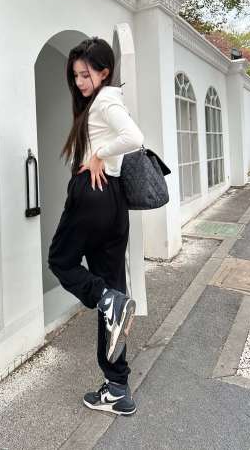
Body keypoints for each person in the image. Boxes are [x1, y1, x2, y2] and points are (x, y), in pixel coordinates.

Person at [48, 36, 144, 416]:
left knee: (61, 261)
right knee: (112, 292)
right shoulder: (103, 101)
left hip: (92, 194)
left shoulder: (105, 100)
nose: (79, 82)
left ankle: (107, 299)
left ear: (105, 72)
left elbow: (134, 137)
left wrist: (98, 154)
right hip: (114, 202)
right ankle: (117, 387)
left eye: (85, 75)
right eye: (75, 76)